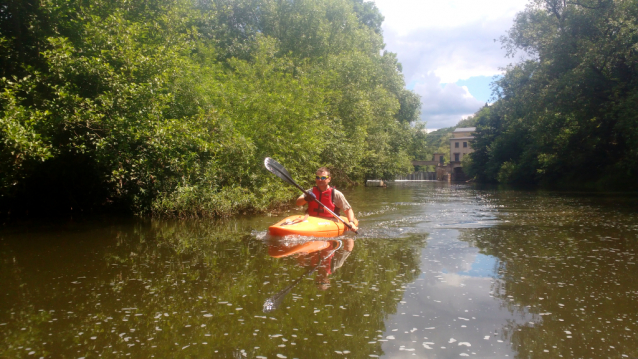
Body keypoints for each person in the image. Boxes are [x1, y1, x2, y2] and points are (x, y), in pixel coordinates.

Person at [295, 167, 358, 232]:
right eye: (318, 177)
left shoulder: (336, 194)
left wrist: (351, 222)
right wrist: (306, 198)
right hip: (312, 220)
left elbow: (348, 210)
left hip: (330, 221)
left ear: (329, 179)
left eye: (323, 178)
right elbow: (298, 202)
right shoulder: (310, 192)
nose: (320, 180)